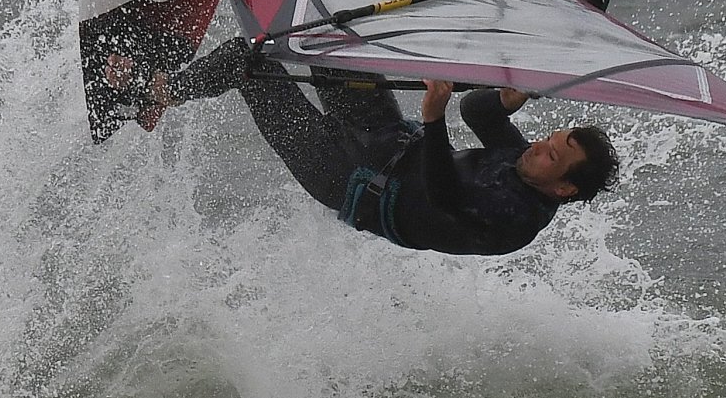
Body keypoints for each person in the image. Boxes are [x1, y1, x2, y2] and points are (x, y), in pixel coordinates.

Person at [167, 39, 619, 256]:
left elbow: (445, 194)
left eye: (553, 155)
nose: (539, 147)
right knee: (328, 40)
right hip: (384, 135)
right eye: (550, 139)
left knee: (245, 66)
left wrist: (433, 117)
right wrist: (519, 92)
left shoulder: (516, 218)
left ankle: (152, 96)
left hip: (344, 178)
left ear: (564, 189)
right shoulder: (526, 164)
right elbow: (480, 113)